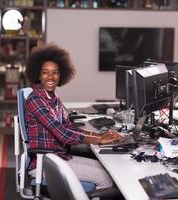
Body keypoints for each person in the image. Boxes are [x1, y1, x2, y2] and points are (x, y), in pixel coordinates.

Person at [25, 44, 123, 189]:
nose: (51, 77)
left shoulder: (53, 98)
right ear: (39, 75)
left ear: (61, 75)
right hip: (44, 162)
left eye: (55, 73)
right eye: (45, 72)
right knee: (105, 179)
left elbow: (69, 127)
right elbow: (63, 134)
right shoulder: (36, 99)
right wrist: (99, 140)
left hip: (59, 156)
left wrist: (99, 134)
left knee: (107, 169)